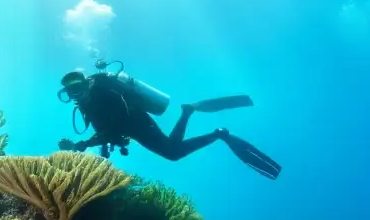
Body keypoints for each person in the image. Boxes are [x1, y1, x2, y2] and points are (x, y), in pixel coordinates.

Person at [56, 60, 282, 180]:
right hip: (129, 130)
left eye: (77, 89)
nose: (75, 96)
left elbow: (116, 126)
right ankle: (195, 117)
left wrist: (82, 145)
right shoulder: (87, 106)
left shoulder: (105, 94)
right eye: (70, 93)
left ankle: (204, 123)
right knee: (172, 151)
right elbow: (105, 131)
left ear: (86, 84)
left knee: (173, 153)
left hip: (138, 124)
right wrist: (96, 148)